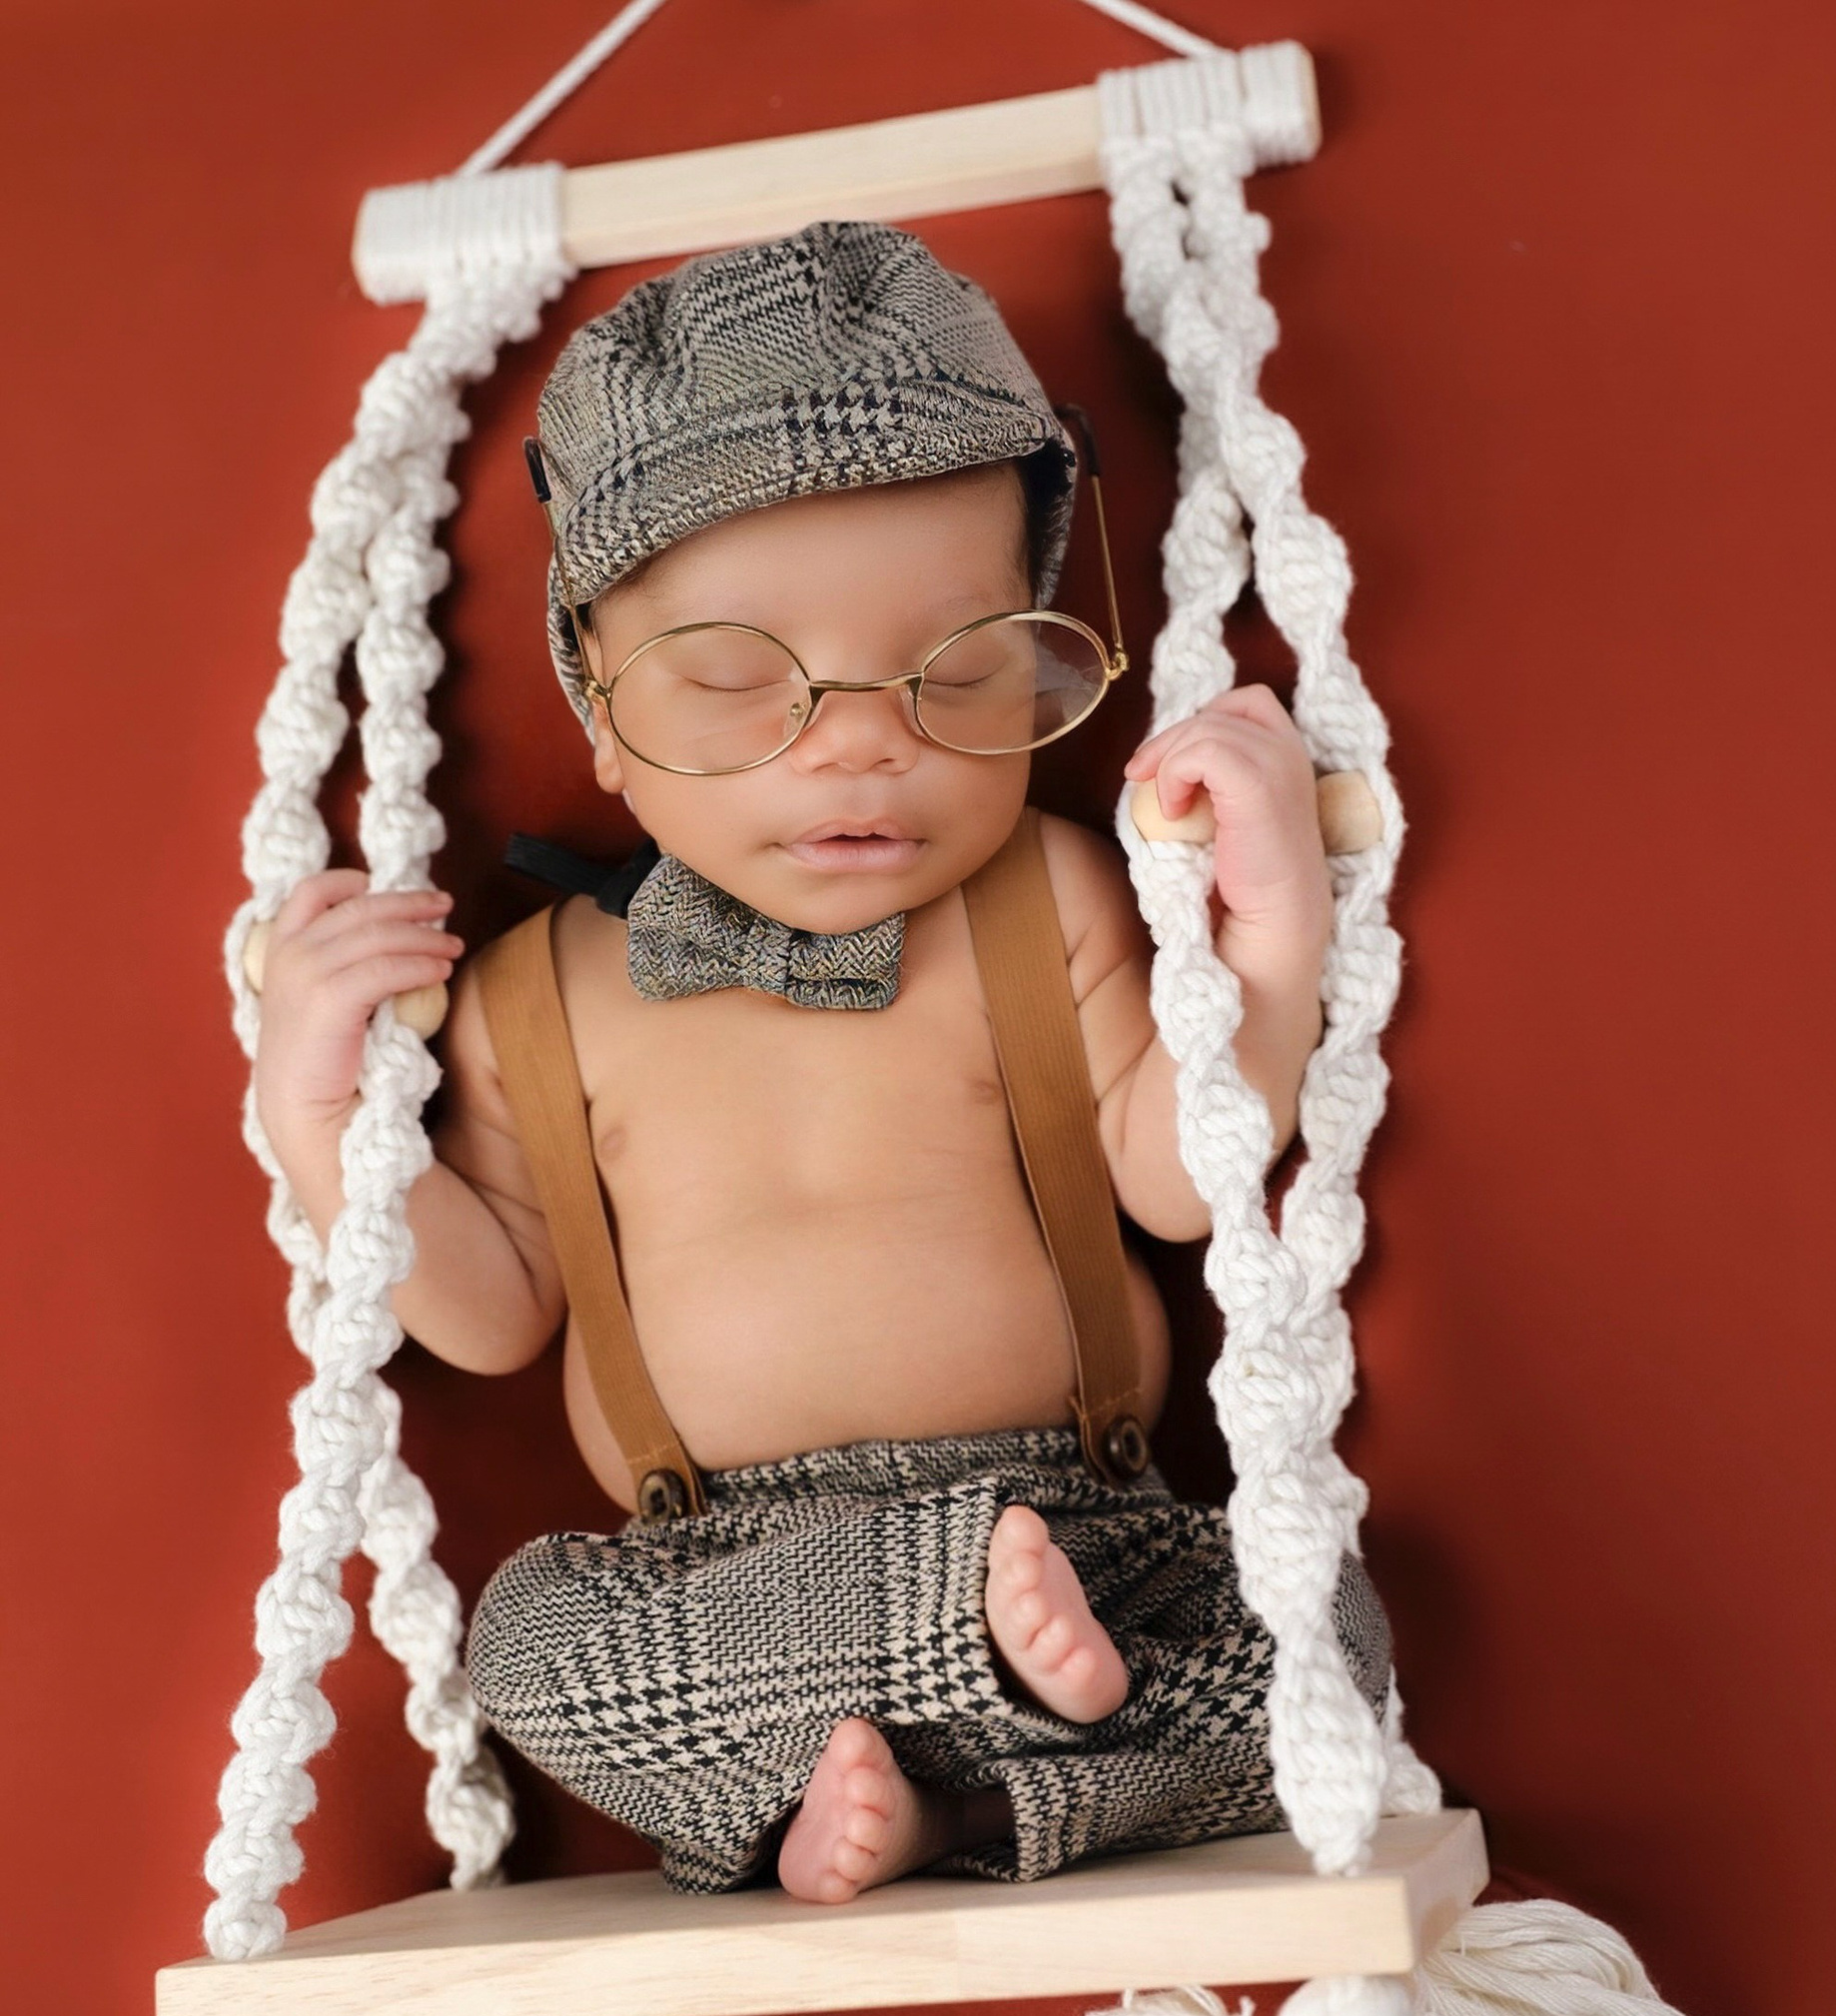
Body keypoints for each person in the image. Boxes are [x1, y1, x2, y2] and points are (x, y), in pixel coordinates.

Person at [251, 220, 1390, 1904]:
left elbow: (1177, 1169)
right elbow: (488, 1312)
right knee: (532, 1641)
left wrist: (1272, 929)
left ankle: (952, 1792)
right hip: (727, 1574)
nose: (861, 741)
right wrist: (316, 1109)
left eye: (962, 674)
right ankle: (978, 1696)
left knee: (1326, 1631)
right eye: (736, 681)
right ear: (600, 716)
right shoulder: (535, 994)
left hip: (1068, 1522)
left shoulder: (1048, 895)